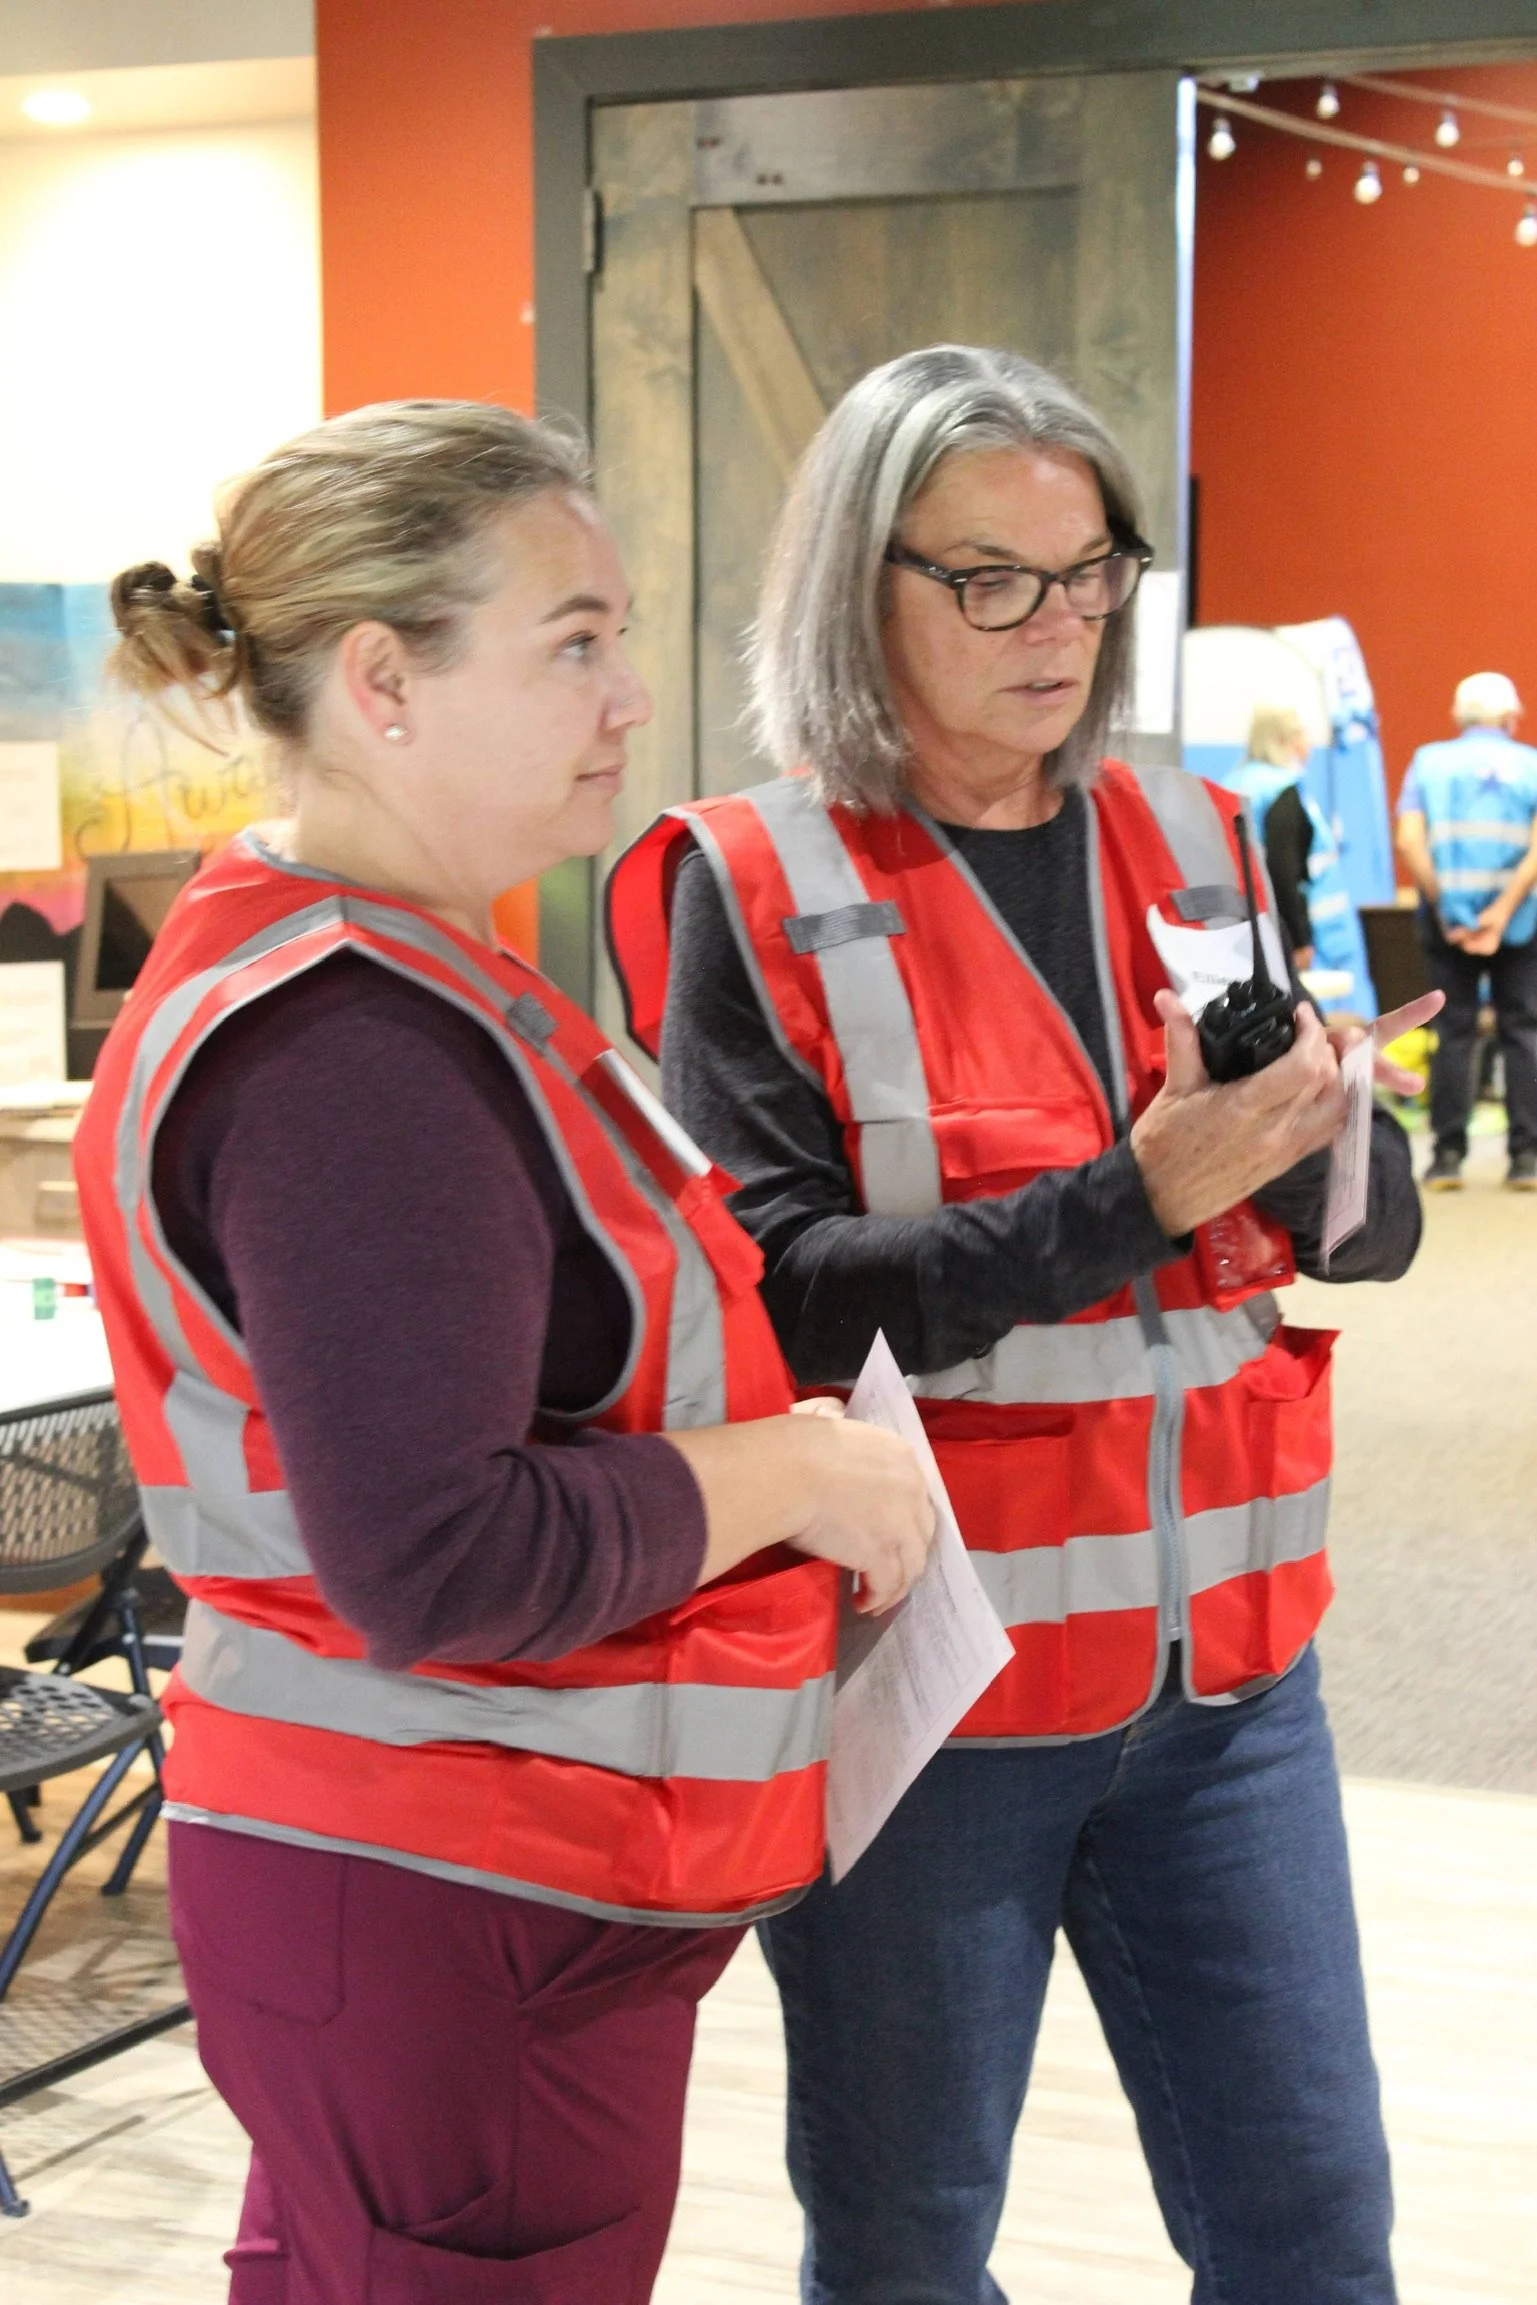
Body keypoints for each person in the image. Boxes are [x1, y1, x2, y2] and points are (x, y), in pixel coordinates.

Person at [72, 401, 936, 2304]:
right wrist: (794, 1468)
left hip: (442, 1886)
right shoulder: (354, 1056)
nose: (629, 695)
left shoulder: (379, 968)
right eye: (573, 642)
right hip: (449, 1897)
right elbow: (438, 1556)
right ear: (382, 681)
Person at [607, 346, 1439, 2305]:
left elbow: (1367, 1240)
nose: (1055, 626)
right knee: (906, 2252)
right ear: (859, 586)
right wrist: (1140, 1192)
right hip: (932, 1701)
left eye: (1087, 574)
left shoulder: (1204, 835)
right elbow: (786, 1302)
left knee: (1316, 2235)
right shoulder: (755, 880)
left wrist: (1319, 1133)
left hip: (1231, 1692)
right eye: (989, 579)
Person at [1396, 670, 1537, 1191]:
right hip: (1520, 921)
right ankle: (1527, 1158)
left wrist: (1449, 907)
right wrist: (1501, 911)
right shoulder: (1531, 764)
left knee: (1451, 1031)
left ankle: (1446, 1157)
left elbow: (1409, 841)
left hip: (1446, 923)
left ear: (1459, 715)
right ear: (1510, 716)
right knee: (1522, 1030)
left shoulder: (1427, 763)